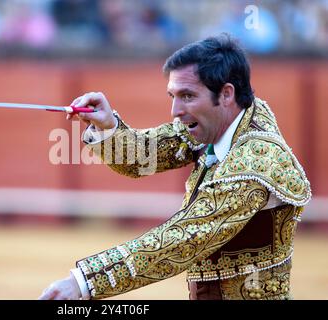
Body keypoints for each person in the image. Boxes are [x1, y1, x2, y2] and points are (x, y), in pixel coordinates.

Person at [38, 33, 311, 300]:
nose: (175, 110)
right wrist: (107, 126)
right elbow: (142, 157)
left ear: (226, 94)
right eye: (173, 95)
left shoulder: (255, 160)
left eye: (188, 96)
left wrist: (84, 282)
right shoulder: (224, 119)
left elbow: (183, 239)